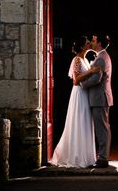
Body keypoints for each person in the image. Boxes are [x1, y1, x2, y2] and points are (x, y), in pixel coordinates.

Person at [48, 35, 97, 167]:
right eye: (87, 43)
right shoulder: (76, 60)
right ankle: (75, 156)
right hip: (79, 94)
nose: (89, 45)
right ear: (82, 46)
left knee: (86, 122)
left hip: (86, 93)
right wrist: (91, 72)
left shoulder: (85, 60)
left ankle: (86, 156)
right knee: (79, 122)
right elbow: (75, 80)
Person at [76, 34, 113, 168]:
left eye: (93, 40)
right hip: (101, 97)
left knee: (102, 128)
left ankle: (103, 159)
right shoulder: (103, 56)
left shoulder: (101, 58)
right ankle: (103, 156)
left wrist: (82, 84)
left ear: (99, 44)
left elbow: (96, 79)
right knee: (104, 127)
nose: (91, 42)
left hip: (99, 98)